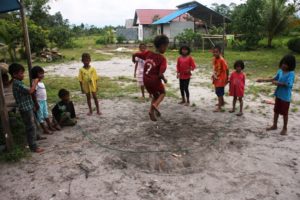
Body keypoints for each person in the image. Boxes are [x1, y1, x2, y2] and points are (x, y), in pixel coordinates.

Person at [8, 63, 44, 153]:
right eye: (21, 73)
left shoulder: (18, 82)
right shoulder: (16, 84)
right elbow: (31, 91)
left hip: (28, 106)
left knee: (34, 123)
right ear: (14, 74)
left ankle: (36, 137)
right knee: (30, 127)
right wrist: (35, 82)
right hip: (25, 109)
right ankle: (33, 146)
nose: (23, 75)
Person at [132, 35, 169, 121]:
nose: (166, 49)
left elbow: (134, 54)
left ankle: (151, 112)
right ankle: (155, 105)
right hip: (154, 80)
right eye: (166, 47)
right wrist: (164, 79)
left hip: (145, 80)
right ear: (162, 46)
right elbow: (160, 74)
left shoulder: (147, 53)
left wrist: (133, 59)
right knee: (163, 93)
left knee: (155, 95)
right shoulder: (162, 59)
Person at [257, 54, 296, 135]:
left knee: (285, 113)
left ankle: (285, 128)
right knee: (276, 111)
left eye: (286, 64)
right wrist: (262, 80)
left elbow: (288, 84)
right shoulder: (280, 71)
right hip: (278, 95)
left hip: (285, 97)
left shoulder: (291, 74)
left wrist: (278, 83)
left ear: (290, 65)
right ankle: (274, 125)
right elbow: (273, 79)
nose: (283, 65)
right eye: (282, 63)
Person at [31, 66, 57, 134]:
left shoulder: (41, 83)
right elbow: (33, 94)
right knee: (40, 116)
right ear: (35, 74)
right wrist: (36, 104)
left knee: (46, 114)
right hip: (38, 102)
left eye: (43, 73)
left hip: (44, 101)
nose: (42, 75)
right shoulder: (34, 83)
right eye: (40, 73)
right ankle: (45, 129)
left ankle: (49, 126)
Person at [211, 45, 229, 112]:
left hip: (221, 79)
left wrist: (227, 78)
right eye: (214, 52)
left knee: (219, 92)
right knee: (219, 91)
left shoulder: (222, 60)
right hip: (216, 78)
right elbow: (214, 68)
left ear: (220, 52)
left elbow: (227, 69)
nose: (215, 53)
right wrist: (214, 75)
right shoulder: (214, 59)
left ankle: (219, 107)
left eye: (216, 52)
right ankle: (222, 102)